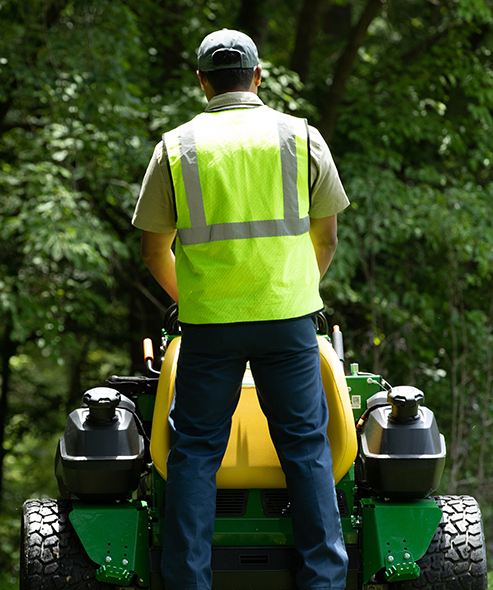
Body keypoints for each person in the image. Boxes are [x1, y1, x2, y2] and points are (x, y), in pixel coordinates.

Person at [131, 28, 351, 590]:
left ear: (202, 82)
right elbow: (325, 239)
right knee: (305, 449)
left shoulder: (175, 148)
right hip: (288, 322)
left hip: (209, 329)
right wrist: (291, 293)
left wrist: (198, 299)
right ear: (258, 75)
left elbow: (154, 249)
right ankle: (322, 582)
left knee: (196, 454)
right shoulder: (302, 138)